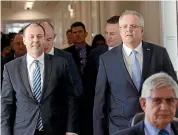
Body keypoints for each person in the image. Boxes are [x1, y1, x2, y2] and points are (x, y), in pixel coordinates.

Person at [93, 10, 178, 135]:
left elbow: (174, 89)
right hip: (120, 127)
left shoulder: (159, 53)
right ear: (120, 31)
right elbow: (100, 101)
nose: (128, 30)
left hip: (155, 124)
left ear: (142, 31)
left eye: (133, 26)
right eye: (124, 27)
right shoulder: (107, 59)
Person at [1, 23, 78, 135]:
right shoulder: (11, 68)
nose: (35, 40)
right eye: (31, 37)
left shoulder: (60, 64)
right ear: (24, 40)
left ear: (44, 40)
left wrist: (71, 130)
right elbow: (6, 104)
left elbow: (70, 98)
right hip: (23, 130)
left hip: (55, 129)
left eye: (39, 36)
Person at [84, 15, 122, 135]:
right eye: (106, 33)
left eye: (112, 34)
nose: (108, 37)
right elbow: (89, 84)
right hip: (104, 114)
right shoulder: (96, 54)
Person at [39, 21, 83, 97]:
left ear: (54, 36)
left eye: (49, 39)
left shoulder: (66, 57)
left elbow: (78, 86)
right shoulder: (30, 58)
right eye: (42, 39)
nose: (45, 43)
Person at [64, 21, 92, 135]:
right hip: (73, 100)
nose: (77, 34)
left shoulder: (95, 52)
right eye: (74, 32)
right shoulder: (65, 54)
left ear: (86, 34)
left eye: (80, 32)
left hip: (91, 99)